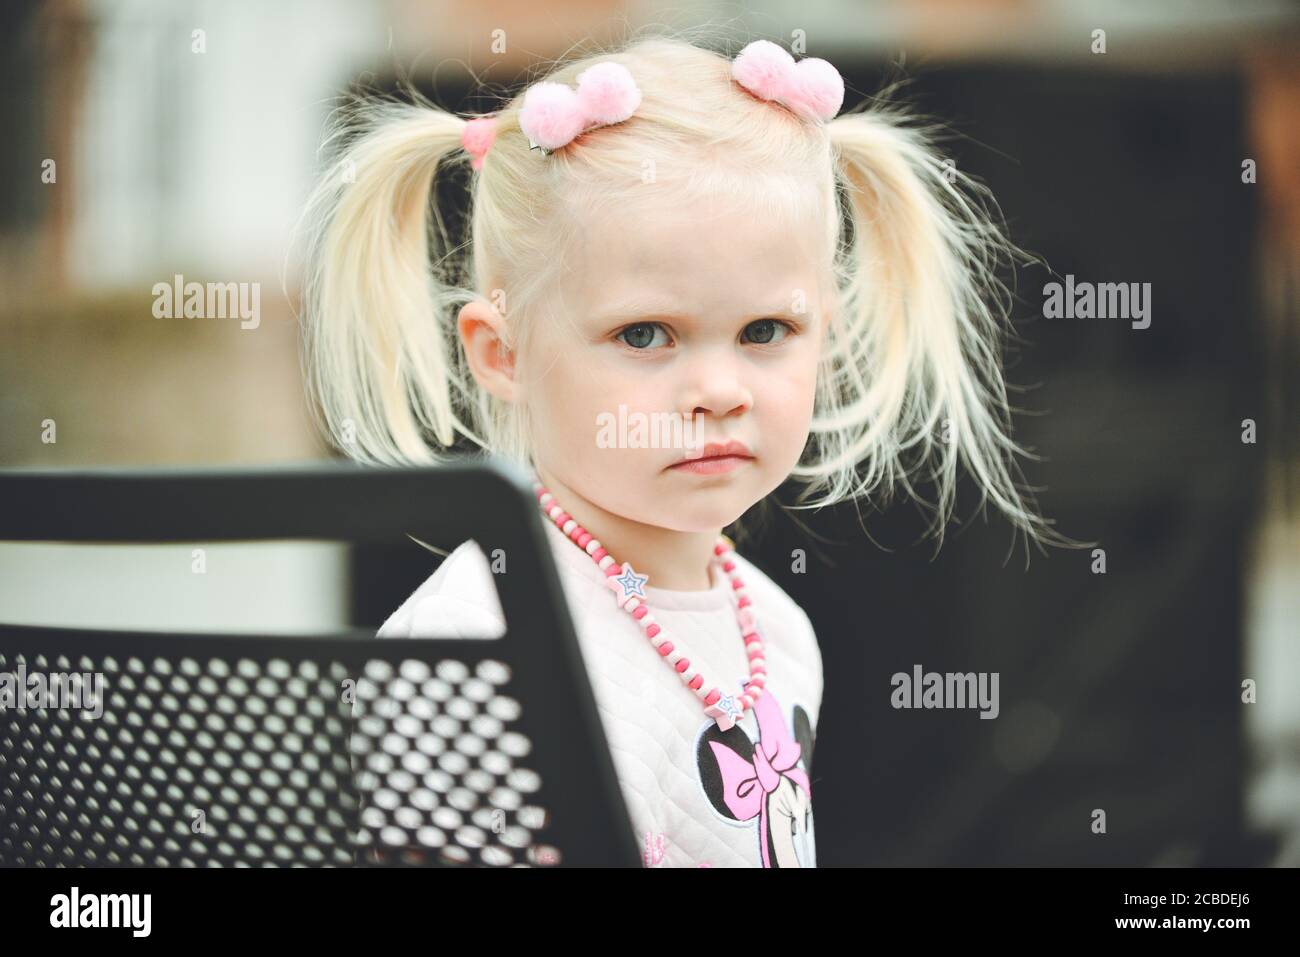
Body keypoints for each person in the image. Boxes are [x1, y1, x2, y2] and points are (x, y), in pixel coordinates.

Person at [299, 33, 1056, 867]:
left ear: (826, 340)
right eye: (647, 333)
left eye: (766, 330)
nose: (720, 388)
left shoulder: (779, 631)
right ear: (502, 352)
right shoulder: (478, 638)